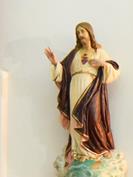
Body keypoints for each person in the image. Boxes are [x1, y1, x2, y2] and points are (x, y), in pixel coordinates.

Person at [44, 23, 120, 166]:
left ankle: (96, 151)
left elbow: (114, 70)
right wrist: (55, 63)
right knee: (76, 120)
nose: (80, 35)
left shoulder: (99, 51)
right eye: (78, 32)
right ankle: (78, 153)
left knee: (94, 117)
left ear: (89, 33)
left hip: (92, 88)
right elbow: (64, 73)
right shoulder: (75, 53)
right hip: (74, 87)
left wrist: (102, 64)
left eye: (82, 31)